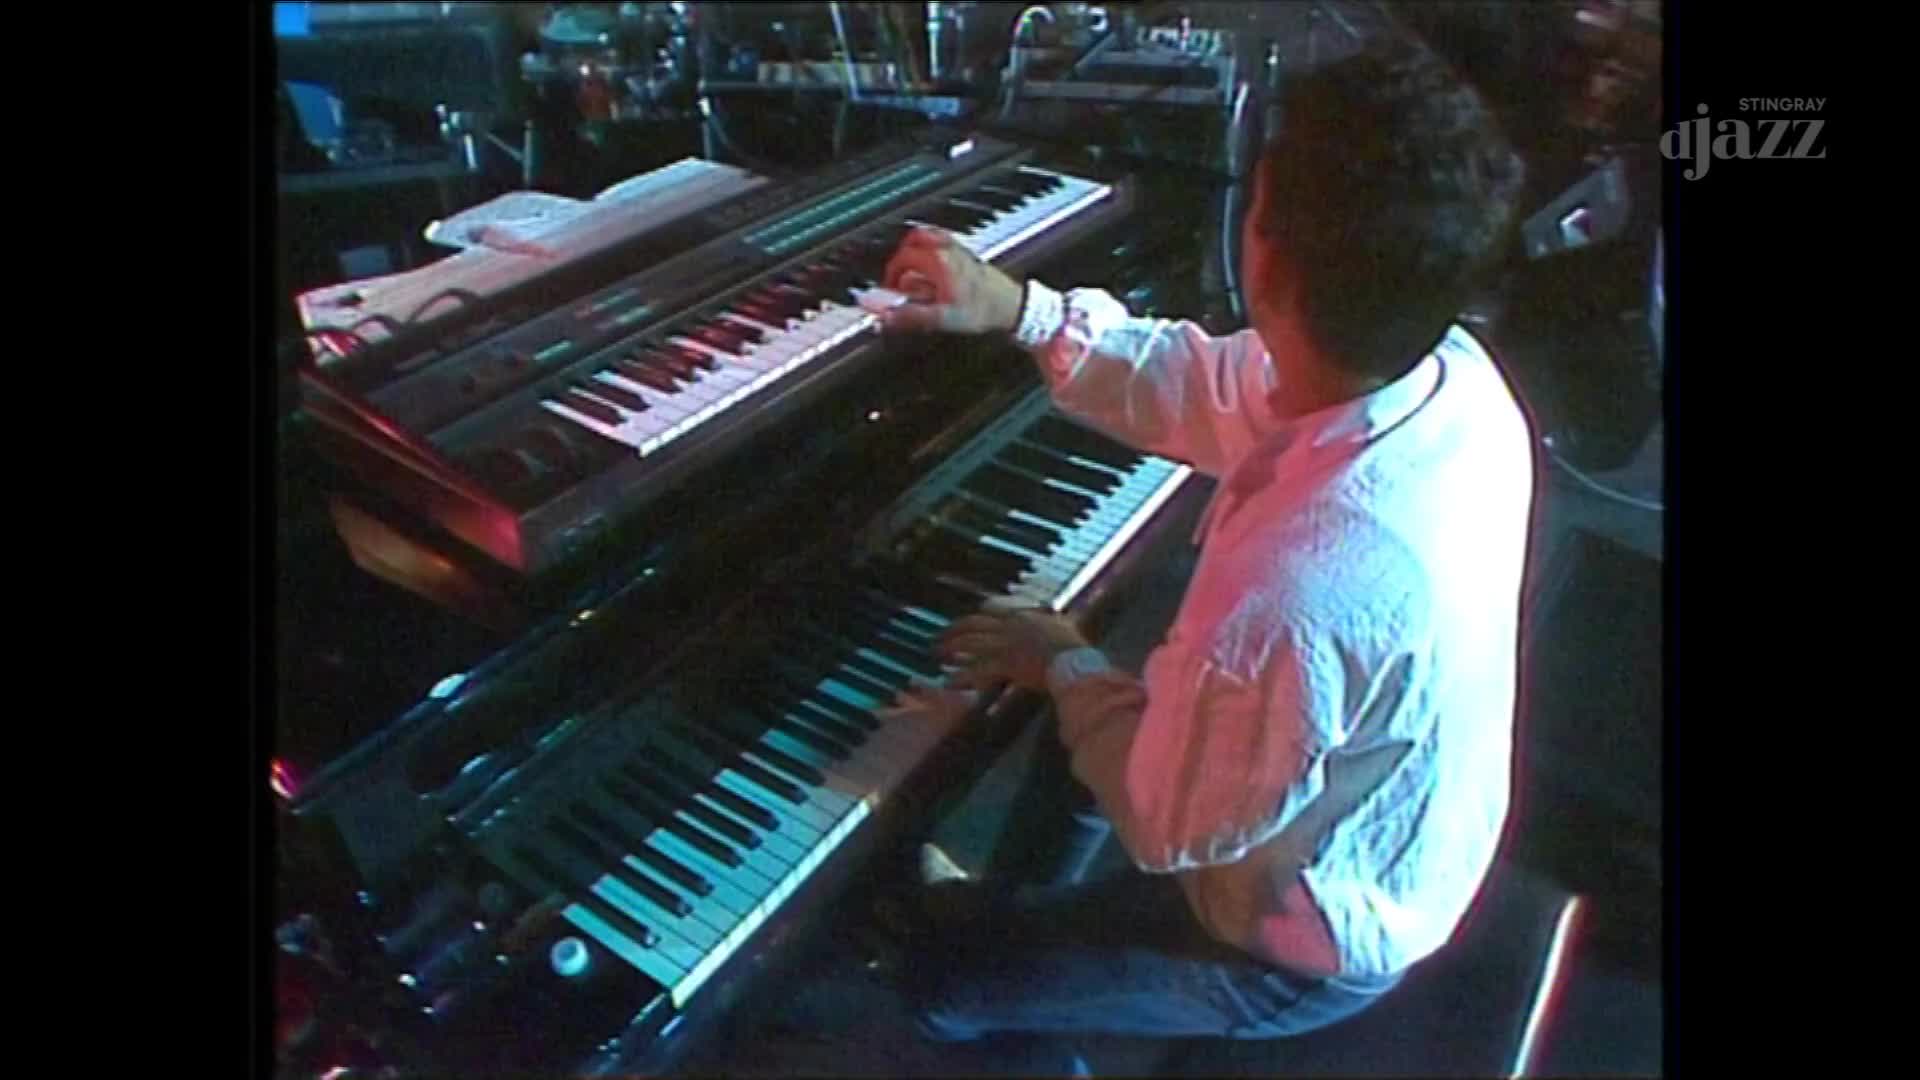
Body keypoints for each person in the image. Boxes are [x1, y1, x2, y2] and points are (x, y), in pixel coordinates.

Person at [869, 43, 1534, 1055]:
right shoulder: (1448, 372)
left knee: (941, 979)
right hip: (1381, 822)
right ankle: (1031, 915)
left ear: (1262, 257)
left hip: (1300, 937)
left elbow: (1166, 820)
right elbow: (1212, 387)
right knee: (1096, 726)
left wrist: (1064, 664)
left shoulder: (1305, 584)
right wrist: (1021, 311)